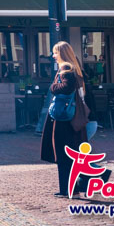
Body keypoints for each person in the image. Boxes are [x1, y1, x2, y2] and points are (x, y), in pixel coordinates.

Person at [40, 41, 88, 197]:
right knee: (71, 154)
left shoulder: (65, 69)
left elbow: (66, 87)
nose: (53, 56)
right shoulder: (75, 69)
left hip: (63, 118)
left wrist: (53, 87)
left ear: (61, 53)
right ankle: (71, 188)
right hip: (73, 117)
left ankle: (68, 190)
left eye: (55, 52)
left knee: (64, 154)